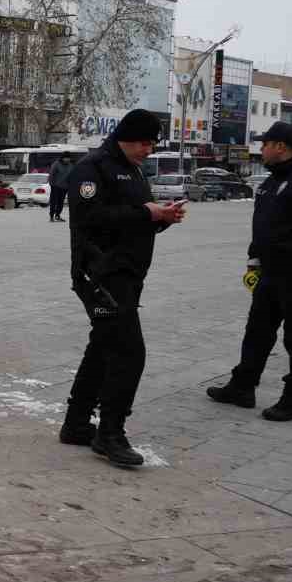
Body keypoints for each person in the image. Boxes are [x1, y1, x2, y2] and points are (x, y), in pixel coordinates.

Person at [61, 109, 187, 467]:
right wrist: (148, 214)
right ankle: (110, 434)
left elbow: (132, 220)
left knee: (103, 346)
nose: (149, 150)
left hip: (126, 274)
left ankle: (76, 424)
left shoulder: (132, 169)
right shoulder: (93, 167)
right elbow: (89, 219)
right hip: (100, 273)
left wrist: (161, 218)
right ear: (127, 136)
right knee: (129, 352)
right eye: (145, 142)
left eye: (152, 143)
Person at [206, 122, 292, 422]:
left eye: (265, 144)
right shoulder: (271, 181)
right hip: (270, 272)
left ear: (280, 147)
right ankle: (242, 386)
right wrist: (254, 257)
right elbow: (264, 225)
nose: (261, 149)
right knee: (257, 332)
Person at [48, 153, 74, 222]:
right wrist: (52, 184)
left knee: (60, 202)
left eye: (69, 158)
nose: (67, 159)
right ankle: (51, 216)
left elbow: (72, 176)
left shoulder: (71, 165)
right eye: (66, 158)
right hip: (55, 186)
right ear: (62, 158)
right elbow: (51, 174)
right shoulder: (56, 164)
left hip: (65, 187)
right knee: (54, 202)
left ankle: (57, 215)